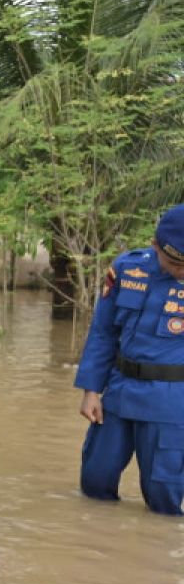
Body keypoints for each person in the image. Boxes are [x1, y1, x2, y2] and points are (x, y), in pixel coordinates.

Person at [75, 204, 184, 516]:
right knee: (95, 481)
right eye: (175, 263)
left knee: (163, 498)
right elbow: (103, 332)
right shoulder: (128, 268)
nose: (181, 272)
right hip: (120, 392)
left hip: (172, 402)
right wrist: (91, 390)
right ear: (154, 246)